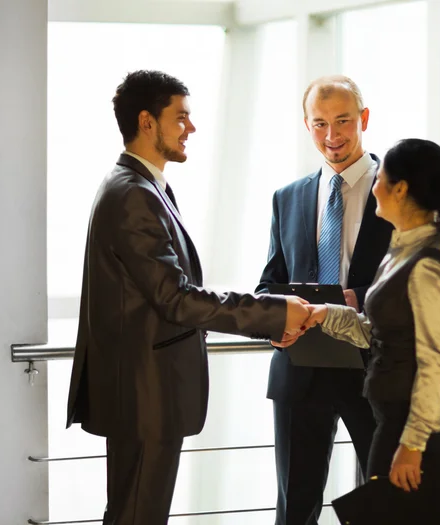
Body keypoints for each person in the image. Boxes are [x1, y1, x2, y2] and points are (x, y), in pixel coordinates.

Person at [65, 70, 309, 525]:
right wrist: (274, 314)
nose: (190, 128)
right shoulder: (133, 194)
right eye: (181, 117)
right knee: (138, 515)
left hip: (141, 394)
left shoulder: (141, 185)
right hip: (143, 396)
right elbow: (175, 299)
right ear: (147, 122)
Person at [256, 75, 393, 525]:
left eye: (343, 122)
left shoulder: (398, 194)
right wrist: (274, 324)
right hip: (300, 371)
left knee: (391, 503)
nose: (332, 137)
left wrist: (364, 300)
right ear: (306, 125)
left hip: (374, 370)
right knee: (294, 509)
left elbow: (418, 283)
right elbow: (268, 284)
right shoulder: (288, 198)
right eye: (319, 124)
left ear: (364, 120)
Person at [305, 138, 440, 501]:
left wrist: (413, 445)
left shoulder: (429, 265)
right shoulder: (402, 250)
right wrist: (323, 315)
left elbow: (436, 364)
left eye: (379, 178)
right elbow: (377, 332)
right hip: (395, 415)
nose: (373, 188)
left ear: (400, 189)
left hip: (416, 423)